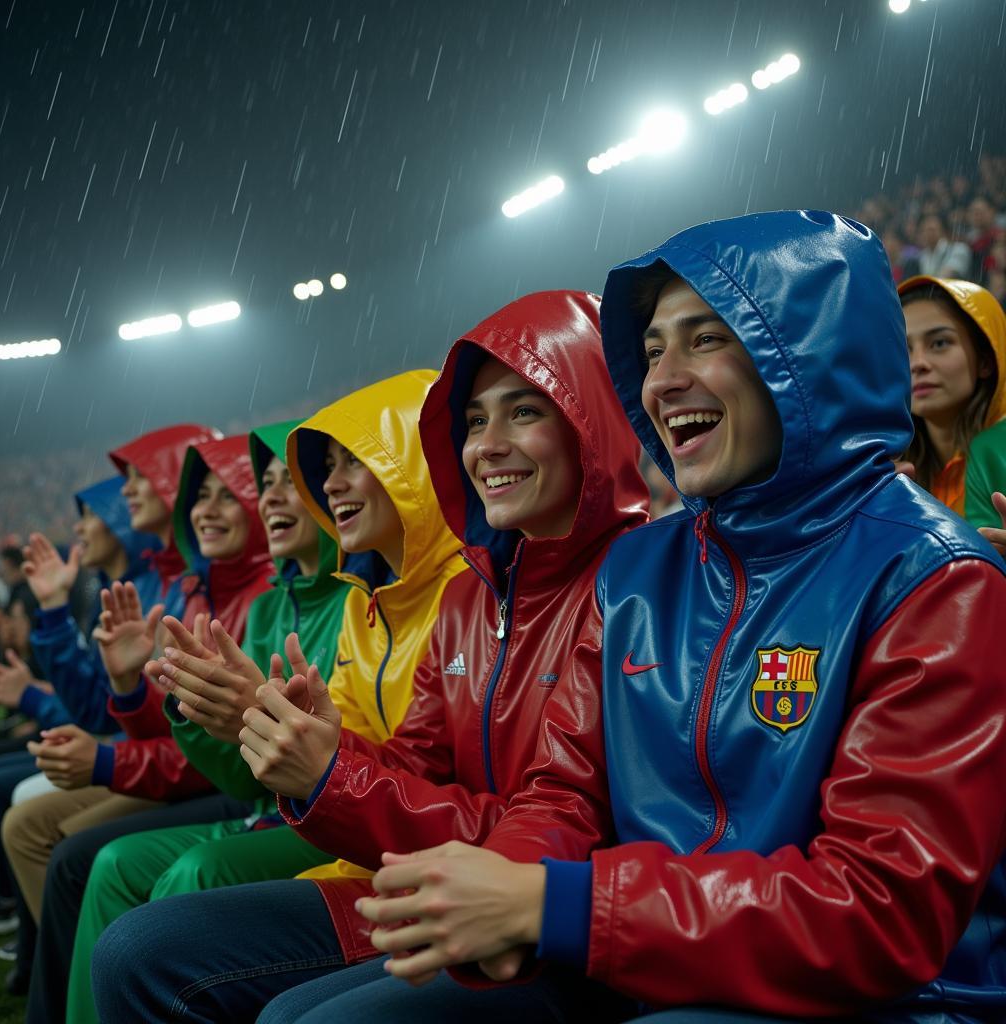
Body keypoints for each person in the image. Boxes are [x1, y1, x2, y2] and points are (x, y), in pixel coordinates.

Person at [308, 212, 1006, 1024]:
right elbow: (564, 796)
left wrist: (558, 905)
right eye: (651, 352)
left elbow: (881, 912)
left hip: (879, 1001)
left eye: (706, 339)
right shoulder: (640, 573)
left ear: (809, 356)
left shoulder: (936, 580)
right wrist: (502, 889)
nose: (661, 379)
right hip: (643, 951)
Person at [90, 291, 648, 1024]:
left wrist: (321, 770)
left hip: (536, 903)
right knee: (135, 945)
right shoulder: (467, 601)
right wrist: (295, 744)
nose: (486, 443)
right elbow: (411, 766)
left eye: (525, 410)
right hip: (430, 869)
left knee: (259, 983)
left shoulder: (632, 585)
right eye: (474, 420)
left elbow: (562, 816)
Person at [62, 420, 351, 1024]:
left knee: (177, 869)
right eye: (262, 483)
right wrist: (167, 699)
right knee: (106, 861)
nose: (270, 497)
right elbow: (240, 776)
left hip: (324, 817)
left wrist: (121, 743)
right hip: (268, 802)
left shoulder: (353, 599)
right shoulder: (258, 598)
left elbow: (307, 768)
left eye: (287, 482)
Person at [6, 433, 272, 1024]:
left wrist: (102, 754)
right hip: (225, 782)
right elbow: (126, 714)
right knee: (36, 820)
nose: (125, 496)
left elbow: (221, 755)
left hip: (231, 790)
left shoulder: (229, 592)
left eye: (136, 480)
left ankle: (73, 983)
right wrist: (120, 682)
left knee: (63, 843)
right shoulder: (188, 585)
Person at [0, 476, 160, 955]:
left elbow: (106, 718)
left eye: (89, 515)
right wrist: (54, 609)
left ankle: (52, 957)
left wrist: (37, 701)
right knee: (15, 797)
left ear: (121, 522)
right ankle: (54, 961)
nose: (78, 529)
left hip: (152, 761)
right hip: (134, 752)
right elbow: (95, 705)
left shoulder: (149, 595)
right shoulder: (111, 589)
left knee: (15, 798)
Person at [899, 275, 1005, 517]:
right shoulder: (890, 469)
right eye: (904, 349)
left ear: (986, 360)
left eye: (939, 343)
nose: (918, 364)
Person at [915, 213, 972, 278]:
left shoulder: (959, 249)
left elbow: (947, 276)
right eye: (924, 230)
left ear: (942, 231)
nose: (927, 233)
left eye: (931, 230)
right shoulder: (923, 255)